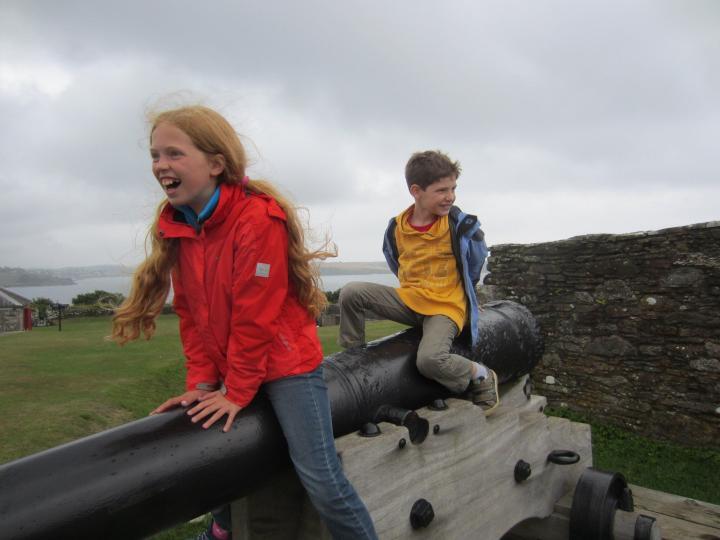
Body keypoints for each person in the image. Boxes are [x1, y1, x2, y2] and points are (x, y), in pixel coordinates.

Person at [112, 105, 378, 540]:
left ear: (216, 164)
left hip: (287, 366)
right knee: (211, 451)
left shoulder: (256, 219)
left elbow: (256, 319)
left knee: (322, 478)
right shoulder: (179, 226)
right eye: (155, 155)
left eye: (174, 154)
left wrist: (236, 391)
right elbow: (192, 316)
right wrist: (201, 383)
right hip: (233, 364)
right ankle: (223, 529)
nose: (161, 166)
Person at [338, 150, 499, 413]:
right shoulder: (397, 227)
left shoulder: (457, 224)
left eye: (453, 188)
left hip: (444, 307)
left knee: (430, 360)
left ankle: (478, 373)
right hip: (411, 299)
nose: (450, 196)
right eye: (441, 190)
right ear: (416, 191)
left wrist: (468, 298)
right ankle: (354, 360)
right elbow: (397, 261)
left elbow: (475, 261)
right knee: (351, 293)